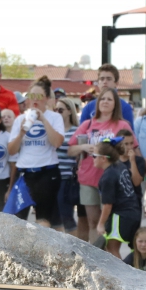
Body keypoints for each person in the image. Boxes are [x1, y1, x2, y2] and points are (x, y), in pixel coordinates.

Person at [68, 88, 135, 242]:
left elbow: (133, 149)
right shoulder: (87, 124)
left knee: (110, 224)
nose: (105, 102)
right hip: (88, 179)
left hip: (113, 180)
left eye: (109, 99)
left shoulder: (122, 125)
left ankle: (109, 259)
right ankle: (94, 259)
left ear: (115, 104)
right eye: (102, 99)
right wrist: (83, 147)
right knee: (93, 222)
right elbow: (70, 150)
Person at [7, 77, 65, 227]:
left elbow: (57, 142)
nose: (34, 100)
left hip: (47, 172)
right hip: (26, 174)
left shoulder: (55, 117)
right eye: (31, 96)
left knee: (43, 221)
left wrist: (43, 119)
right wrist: (20, 134)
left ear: (46, 98)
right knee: (16, 221)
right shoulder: (20, 119)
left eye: (38, 96)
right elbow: (11, 150)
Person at [94, 139, 140, 257]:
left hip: (121, 215)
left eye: (94, 156)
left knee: (112, 249)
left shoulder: (107, 177)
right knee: (132, 250)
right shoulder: (120, 165)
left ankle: (121, 275)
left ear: (103, 158)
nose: (92, 158)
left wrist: (101, 224)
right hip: (133, 211)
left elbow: (108, 205)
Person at [53, 96, 81, 233]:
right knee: (54, 217)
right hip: (51, 177)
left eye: (61, 110)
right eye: (55, 110)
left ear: (70, 111)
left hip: (67, 177)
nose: (57, 112)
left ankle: (74, 249)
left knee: (66, 216)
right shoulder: (52, 130)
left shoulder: (77, 130)